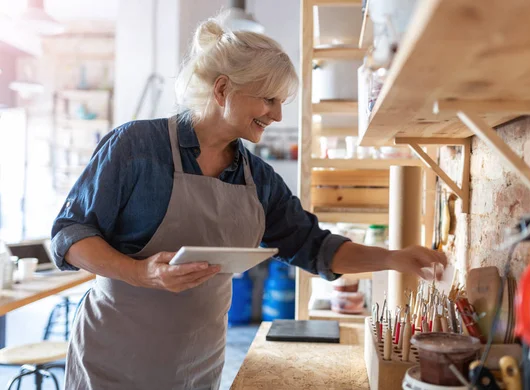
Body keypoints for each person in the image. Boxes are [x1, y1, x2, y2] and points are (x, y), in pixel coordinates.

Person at [50, 17, 446, 390]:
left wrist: (394, 258)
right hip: (113, 366)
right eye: (269, 99)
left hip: (197, 367)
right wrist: (141, 273)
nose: (276, 114)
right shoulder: (136, 147)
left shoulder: (259, 181)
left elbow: (314, 247)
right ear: (223, 89)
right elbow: (70, 235)